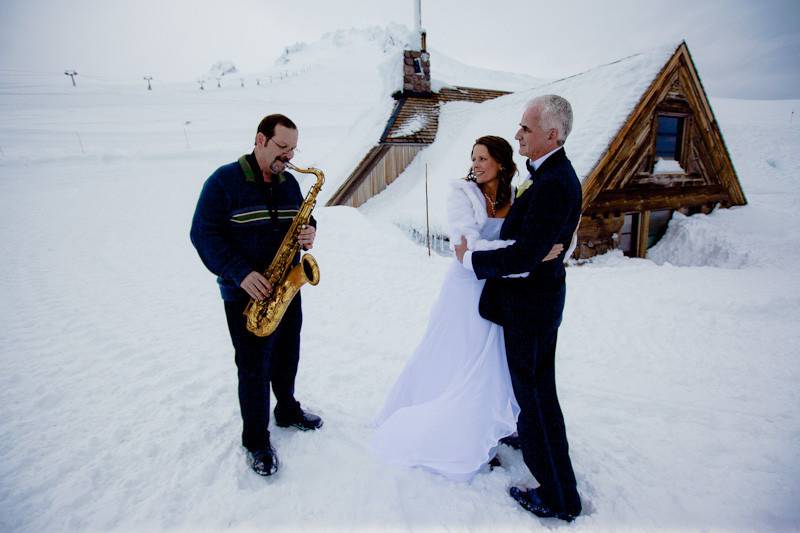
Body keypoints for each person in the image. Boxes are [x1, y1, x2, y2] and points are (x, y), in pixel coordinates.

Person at [371, 136, 564, 481]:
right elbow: (466, 248)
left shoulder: (516, 194)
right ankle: (461, 435)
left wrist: (534, 249)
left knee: (496, 362)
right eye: (473, 158)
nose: (475, 164)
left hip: (502, 286)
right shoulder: (462, 193)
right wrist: (530, 253)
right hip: (466, 287)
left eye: (482, 158)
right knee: (463, 357)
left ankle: (495, 424)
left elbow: (534, 233)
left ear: (501, 163)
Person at [455, 95, 582, 521]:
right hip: (536, 304)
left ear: (552, 134)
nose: (517, 135)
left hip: (530, 308)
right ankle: (552, 474)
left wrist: (473, 261)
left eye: (526, 129)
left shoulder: (554, 182)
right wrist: (539, 252)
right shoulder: (549, 175)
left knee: (537, 399)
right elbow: (534, 246)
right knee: (537, 393)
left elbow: (526, 255)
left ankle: (556, 496)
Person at [190, 113, 322, 478]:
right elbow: (203, 235)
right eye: (282, 148)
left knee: (286, 354)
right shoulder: (223, 182)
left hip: (286, 288)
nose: (289, 157)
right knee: (253, 368)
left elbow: (304, 219)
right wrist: (240, 272)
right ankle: (255, 440)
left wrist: (310, 232)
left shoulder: (290, 183)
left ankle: (287, 409)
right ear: (260, 140)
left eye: (293, 149)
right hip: (245, 295)